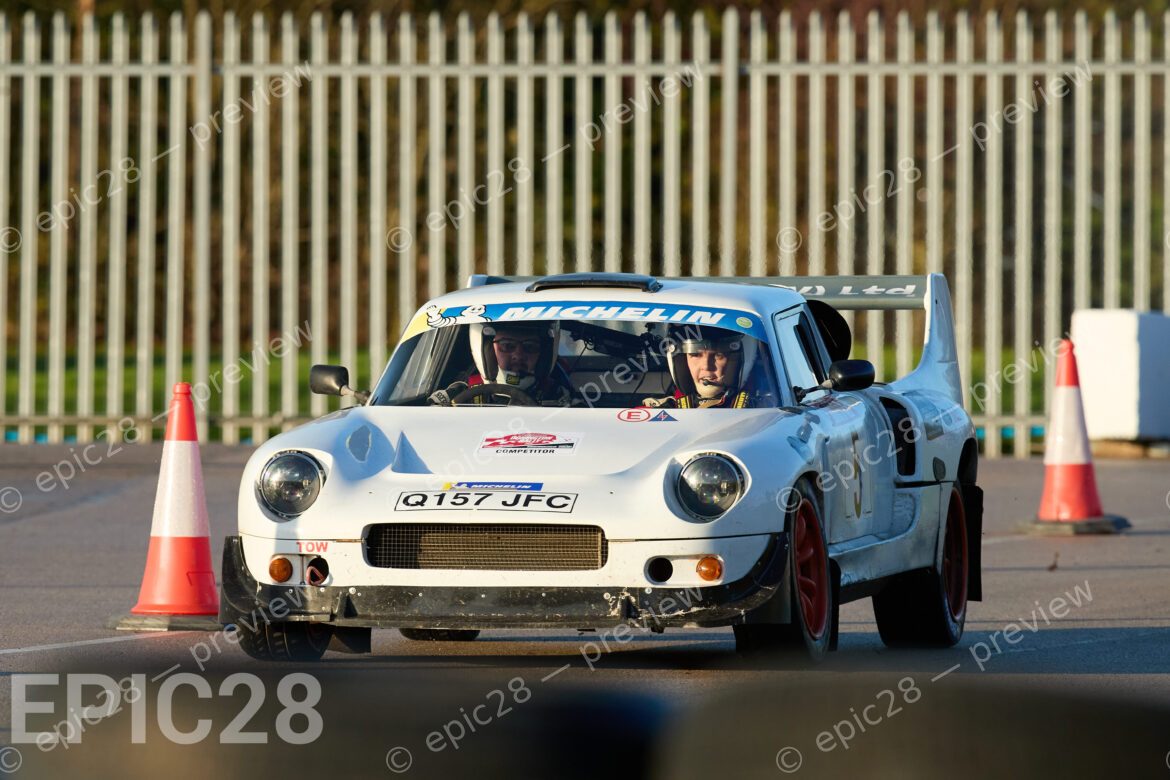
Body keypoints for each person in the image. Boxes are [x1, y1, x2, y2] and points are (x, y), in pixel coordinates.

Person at [431, 320, 573, 406]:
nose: (518, 355)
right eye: (507, 346)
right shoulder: (457, 395)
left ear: (543, 354)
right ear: (488, 351)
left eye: (530, 347)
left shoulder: (560, 397)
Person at [643, 325, 759, 409]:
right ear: (681, 361)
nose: (706, 366)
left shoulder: (766, 411)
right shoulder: (660, 414)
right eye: (695, 354)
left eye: (719, 355)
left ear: (739, 360)